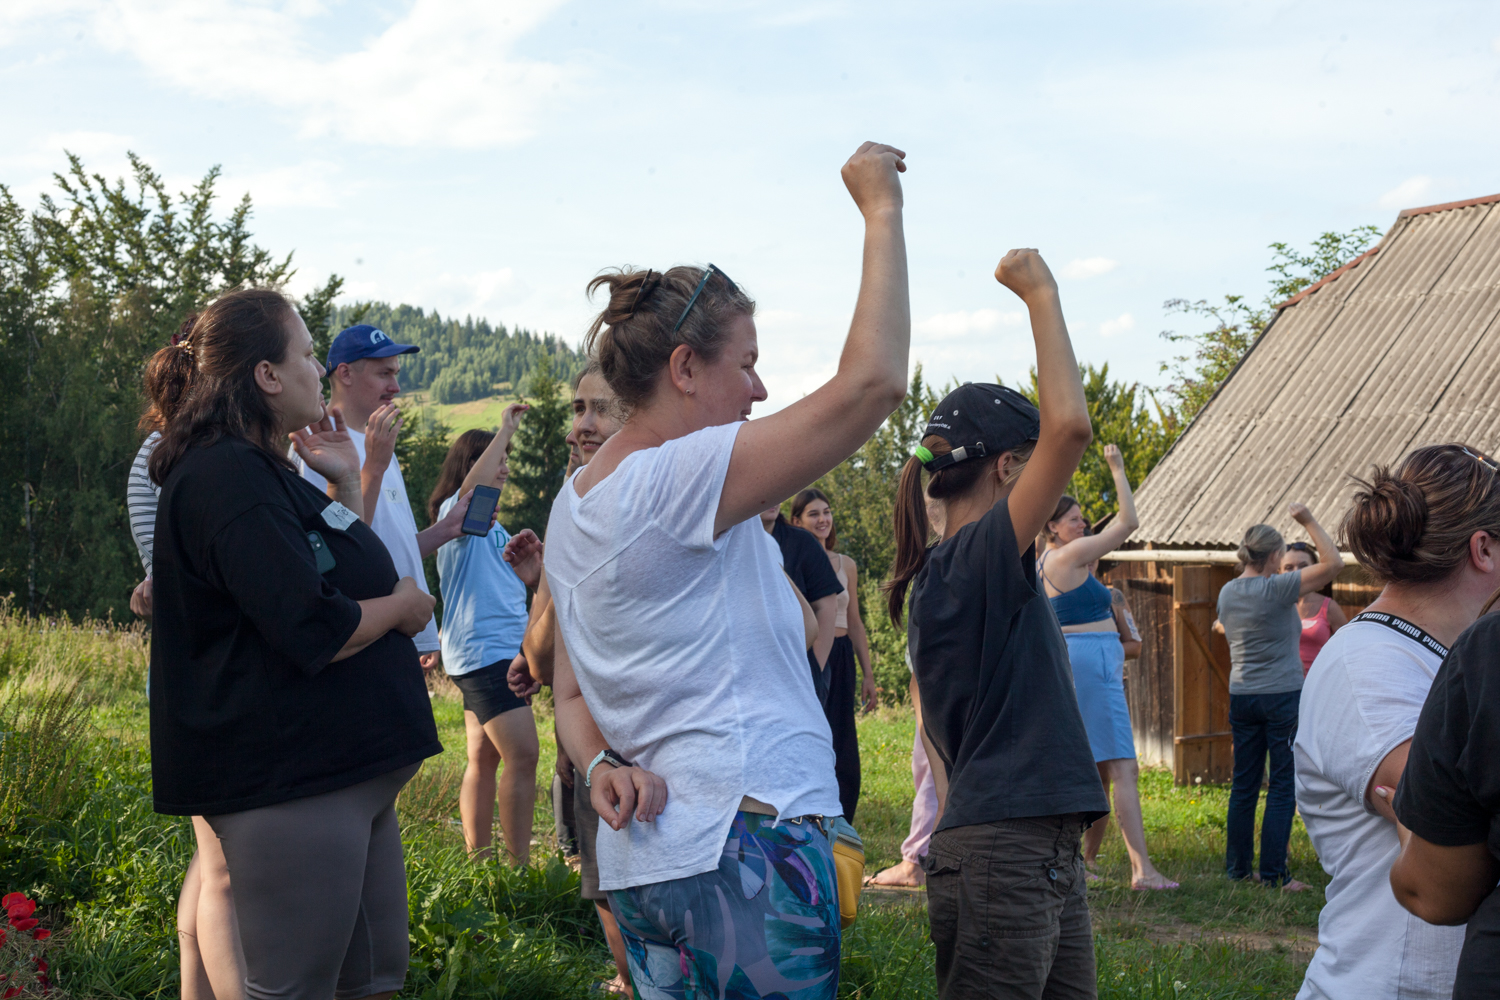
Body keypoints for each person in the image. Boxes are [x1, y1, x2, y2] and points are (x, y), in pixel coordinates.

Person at [534, 142, 909, 1000]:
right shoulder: (676, 478)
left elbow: (568, 693)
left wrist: (596, 770)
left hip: (651, 867)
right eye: (745, 362)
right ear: (684, 368)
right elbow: (873, 385)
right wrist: (880, 210)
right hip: (745, 847)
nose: (760, 388)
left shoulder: (576, 505)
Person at [145, 288, 441, 1000]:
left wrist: (343, 482)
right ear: (267, 377)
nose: (316, 368)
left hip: (340, 777)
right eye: (307, 354)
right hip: (294, 781)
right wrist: (402, 606)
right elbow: (312, 623)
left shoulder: (267, 471)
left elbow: (327, 571)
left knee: (365, 981)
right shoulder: (227, 478)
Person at [887, 251, 1110, 999]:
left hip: (1022, 844)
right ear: (1010, 467)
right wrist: (1039, 292)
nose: (1062, 491)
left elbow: (941, 744)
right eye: (1043, 467)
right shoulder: (970, 560)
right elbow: (1071, 426)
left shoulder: (957, 574)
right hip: (1005, 853)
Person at [1296, 445, 1500, 999]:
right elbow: (1448, 827)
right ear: (1483, 549)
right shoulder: (1368, 668)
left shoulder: (1445, 654)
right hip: (1392, 985)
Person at [130, 328, 246, 1000]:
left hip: (195, 667)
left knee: (212, 865)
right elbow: (173, 577)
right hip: (199, 671)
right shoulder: (168, 454)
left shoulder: (177, 453)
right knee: (221, 866)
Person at [300, 324, 476, 671]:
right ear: (345, 373)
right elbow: (341, 551)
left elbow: (386, 547)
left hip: (402, 633)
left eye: (395, 373)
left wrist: (448, 528)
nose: (395, 387)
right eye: (384, 374)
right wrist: (375, 467)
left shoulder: (378, 445)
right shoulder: (316, 451)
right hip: (364, 639)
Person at [1039, 447, 1175, 891]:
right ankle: (1143, 871)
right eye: (1074, 519)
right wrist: (1118, 468)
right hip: (1092, 661)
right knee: (1123, 768)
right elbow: (1128, 523)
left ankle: (1076, 858)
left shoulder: (1045, 561)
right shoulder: (1067, 557)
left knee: (1093, 768)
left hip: (1077, 660)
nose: (1082, 525)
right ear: (1053, 527)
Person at [427, 406, 538, 864]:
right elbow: (475, 488)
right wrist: (506, 427)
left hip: (490, 651)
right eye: (500, 457)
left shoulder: (493, 528)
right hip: (486, 653)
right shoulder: (462, 517)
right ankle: (519, 869)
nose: (507, 466)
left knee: (485, 758)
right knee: (525, 755)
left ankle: (480, 863)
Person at [1217, 508, 1343, 889]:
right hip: (1282, 696)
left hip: (1242, 695)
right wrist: (1307, 521)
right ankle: (1274, 874)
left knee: (1244, 785)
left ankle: (1238, 870)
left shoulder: (1227, 591)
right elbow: (1333, 563)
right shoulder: (1277, 588)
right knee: (1283, 785)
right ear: (1274, 557)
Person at [867, 494, 947, 889]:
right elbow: (921, 665)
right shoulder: (939, 567)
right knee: (930, 775)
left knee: (932, 776)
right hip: (934, 700)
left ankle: (919, 858)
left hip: (941, 701)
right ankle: (916, 858)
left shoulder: (941, 564)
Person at [791, 489, 875, 822]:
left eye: (826, 512)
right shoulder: (791, 560)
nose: (823, 519)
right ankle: (810, 813)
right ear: (797, 520)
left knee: (843, 739)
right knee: (812, 734)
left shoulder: (846, 565)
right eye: (814, 514)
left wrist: (868, 674)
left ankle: (842, 821)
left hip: (841, 656)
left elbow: (854, 621)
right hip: (808, 656)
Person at [761, 505, 844, 706]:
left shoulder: (802, 541)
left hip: (802, 668)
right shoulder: (727, 541)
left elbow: (827, 606)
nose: (772, 498)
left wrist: (816, 664)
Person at [1282, 541, 1348, 676]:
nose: (1297, 572)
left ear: (1316, 568)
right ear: (1279, 572)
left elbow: (1349, 648)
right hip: (1282, 688)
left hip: (1319, 684)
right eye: (1288, 567)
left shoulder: (1329, 607)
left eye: (1303, 566)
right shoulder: (1273, 606)